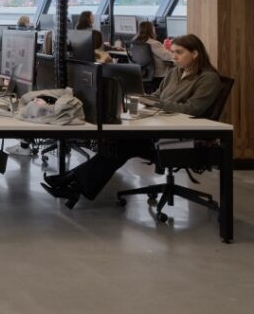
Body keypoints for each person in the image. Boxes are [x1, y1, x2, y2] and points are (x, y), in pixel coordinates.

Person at [42, 34, 223, 206]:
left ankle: (73, 181)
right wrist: (146, 100)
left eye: (179, 52)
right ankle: (75, 183)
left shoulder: (208, 78)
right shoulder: (175, 73)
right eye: (173, 51)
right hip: (162, 128)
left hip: (182, 139)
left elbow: (192, 109)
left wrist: (157, 104)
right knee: (119, 143)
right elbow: (157, 95)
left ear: (195, 53)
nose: (174, 57)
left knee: (123, 144)